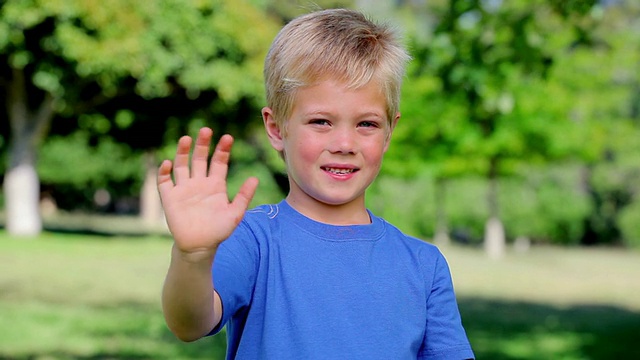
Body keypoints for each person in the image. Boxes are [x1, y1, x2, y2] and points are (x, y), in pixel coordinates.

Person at [158, 8, 474, 360]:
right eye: (321, 121)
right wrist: (192, 257)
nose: (344, 143)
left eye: (366, 124)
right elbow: (189, 324)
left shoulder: (423, 265)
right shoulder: (254, 240)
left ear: (389, 132)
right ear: (277, 128)